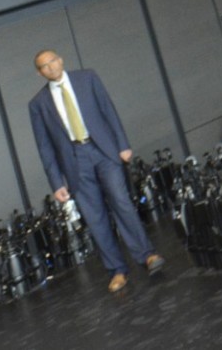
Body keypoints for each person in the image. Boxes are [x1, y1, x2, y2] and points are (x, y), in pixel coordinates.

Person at [27, 49, 164, 292]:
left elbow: (108, 109)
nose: (50, 67)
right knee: (95, 217)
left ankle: (147, 255)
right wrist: (56, 182)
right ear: (40, 73)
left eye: (52, 61)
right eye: (44, 66)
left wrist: (122, 144)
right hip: (75, 160)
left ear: (60, 60)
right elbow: (44, 146)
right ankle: (117, 271)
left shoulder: (87, 78)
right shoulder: (38, 104)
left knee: (121, 201)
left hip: (103, 150)